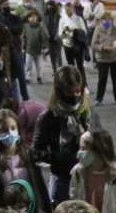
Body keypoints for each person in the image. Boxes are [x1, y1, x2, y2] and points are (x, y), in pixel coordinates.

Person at [32, 66, 100, 203]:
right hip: (63, 178)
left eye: (78, 91)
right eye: (69, 92)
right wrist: (59, 158)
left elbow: (100, 136)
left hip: (89, 174)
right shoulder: (48, 118)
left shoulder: (87, 110)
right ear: (60, 92)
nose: (75, 96)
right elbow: (36, 151)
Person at [90, 12, 116, 103]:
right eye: (104, 19)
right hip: (103, 58)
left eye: (109, 19)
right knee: (102, 79)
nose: (107, 21)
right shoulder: (98, 29)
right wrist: (102, 48)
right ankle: (99, 99)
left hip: (115, 58)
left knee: (115, 79)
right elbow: (93, 44)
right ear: (101, 20)